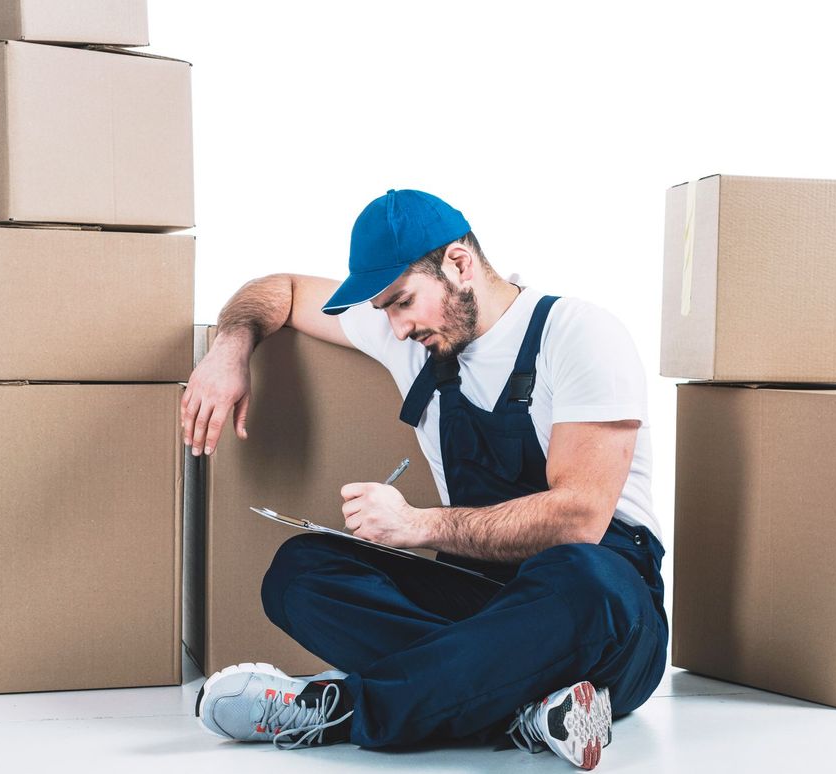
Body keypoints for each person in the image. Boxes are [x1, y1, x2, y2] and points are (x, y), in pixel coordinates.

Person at [183, 190, 667, 770]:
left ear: (459, 264)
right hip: (485, 593)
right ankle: (532, 709)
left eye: (404, 302)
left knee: (580, 579)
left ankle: (340, 709)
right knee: (300, 574)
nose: (396, 326)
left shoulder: (579, 333)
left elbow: (579, 521)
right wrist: (229, 349)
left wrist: (416, 525)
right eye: (385, 308)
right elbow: (278, 290)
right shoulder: (409, 335)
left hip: (601, 606)